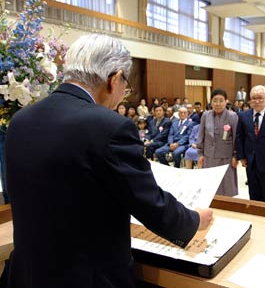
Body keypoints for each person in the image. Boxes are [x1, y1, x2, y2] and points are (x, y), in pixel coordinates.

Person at [3, 34, 212, 287]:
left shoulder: (21, 120)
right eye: (126, 85)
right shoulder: (110, 127)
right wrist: (192, 220)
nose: (124, 94)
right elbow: (149, 203)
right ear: (114, 78)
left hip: (27, 274)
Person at [197, 89, 239, 196]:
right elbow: (201, 136)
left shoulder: (232, 116)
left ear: (226, 101)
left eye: (221, 100)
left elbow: (236, 138)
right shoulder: (206, 115)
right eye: (215, 100)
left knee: (226, 187)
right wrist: (200, 154)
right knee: (210, 187)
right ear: (211, 102)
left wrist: (236, 156)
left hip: (226, 157)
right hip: (209, 157)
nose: (218, 104)